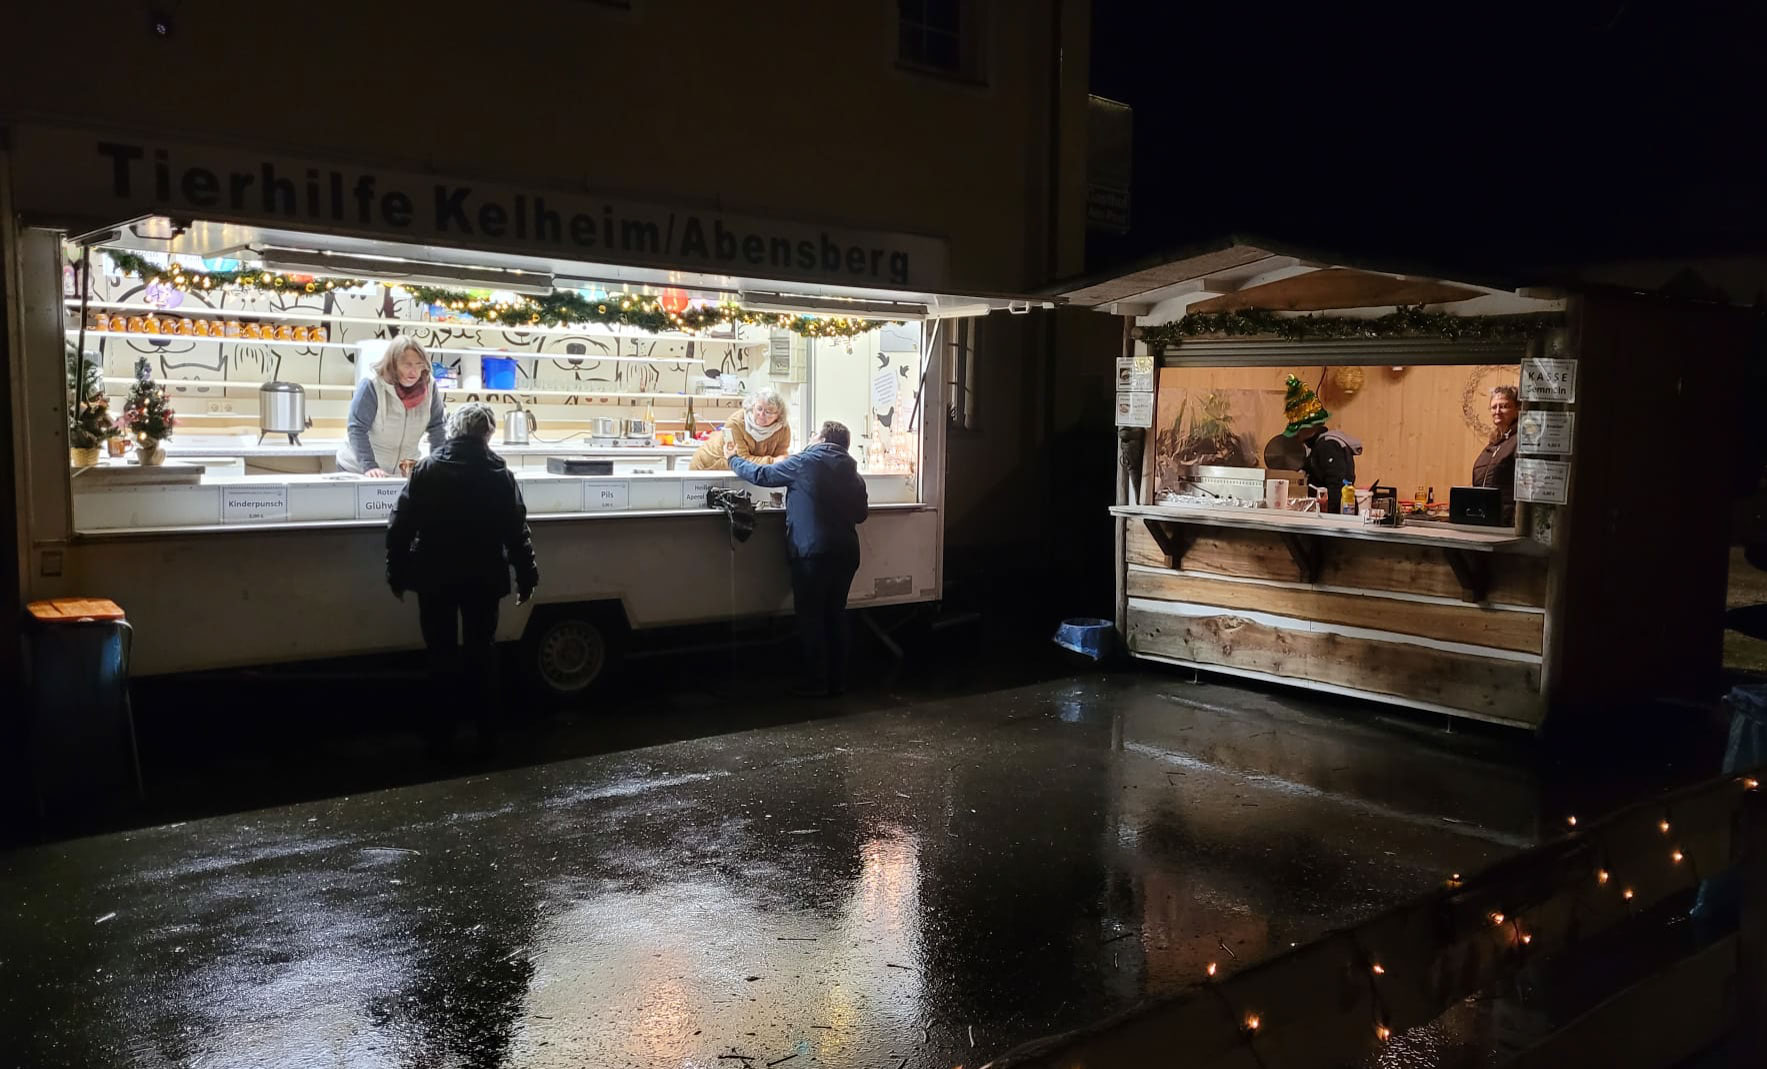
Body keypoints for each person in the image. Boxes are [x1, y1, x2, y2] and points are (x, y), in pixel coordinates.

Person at [386, 402, 539, 750]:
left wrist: (397, 572)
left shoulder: (426, 469)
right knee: (482, 652)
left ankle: (441, 732)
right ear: (488, 435)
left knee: (440, 652)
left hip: (434, 577)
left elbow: (400, 526)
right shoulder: (500, 475)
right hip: (483, 577)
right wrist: (527, 577)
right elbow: (517, 532)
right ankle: (487, 732)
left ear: (453, 432)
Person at [726, 420, 868, 696]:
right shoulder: (854, 474)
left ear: (822, 440)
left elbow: (762, 475)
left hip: (812, 553)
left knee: (812, 618)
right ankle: (838, 682)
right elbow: (861, 515)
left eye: (813, 434)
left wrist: (733, 459)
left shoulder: (805, 462)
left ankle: (817, 683)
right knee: (836, 615)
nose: (810, 438)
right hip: (846, 553)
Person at [338, 336, 446, 476]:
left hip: (402, 470)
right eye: (407, 365)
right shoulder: (372, 385)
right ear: (393, 365)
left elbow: (437, 427)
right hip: (359, 468)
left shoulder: (429, 386)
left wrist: (439, 464)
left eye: (418, 364)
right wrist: (369, 466)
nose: (414, 372)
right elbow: (357, 429)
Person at [1279, 374, 1362, 513]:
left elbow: (1336, 485)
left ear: (1309, 427)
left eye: (1298, 429)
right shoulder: (1317, 446)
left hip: (1338, 516)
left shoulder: (1327, 446)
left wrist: (1328, 519)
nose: (1296, 435)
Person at [691, 386, 791, 470]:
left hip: (742, 470)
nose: (761, 414)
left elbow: (781, 459)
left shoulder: (782, 428)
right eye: (759, 408)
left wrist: (777, 461)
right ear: (752, 406)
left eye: (768, 412)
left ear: (778, 415)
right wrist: (772, 461)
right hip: (709, 465)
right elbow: (741, 460)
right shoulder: (736, 423)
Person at [1472, 384, 1521, 523]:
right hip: (1484, 516)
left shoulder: (1520, 440)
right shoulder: (1493, 443)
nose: (1497, 411)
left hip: (1507, 521)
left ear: (1517, 409)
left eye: (1504, 406)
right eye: (1494, 407)